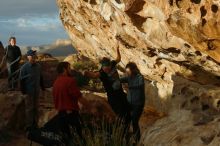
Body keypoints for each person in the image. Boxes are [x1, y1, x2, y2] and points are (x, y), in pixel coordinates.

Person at [83, 44, 131, 126]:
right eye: (105, 67)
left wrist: (117, 49)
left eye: (108, 66)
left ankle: (128, 123)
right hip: (113, 97)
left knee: (127, 109)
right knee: (118, 113)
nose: (107, 69)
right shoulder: (101, 73)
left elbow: (118, 59)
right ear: (102, 66)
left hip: (120, 93)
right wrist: (86, 73)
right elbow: (94, 75)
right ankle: (121, 128)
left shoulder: (112, 64)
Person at [53, 62, 89, 143]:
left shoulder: (56, 82)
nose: (70, 70)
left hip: (60, 116)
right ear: (64, 70)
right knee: (80, 139)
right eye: (69, 68)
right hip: (71, 116)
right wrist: (90, 106)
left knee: (66, 140)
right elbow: (79, 97)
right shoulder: (70, 81)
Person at [120, 62, 145, 143]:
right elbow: (121, 79)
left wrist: (129, 87)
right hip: (129, 103)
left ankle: (137, 140)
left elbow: (140, 86)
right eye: (126, 72)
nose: (127, 73)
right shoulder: (128, 77)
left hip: (138, 103)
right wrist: (113, 78)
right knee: (126, 120)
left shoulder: (140, 77)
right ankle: (126, 139)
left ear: (133, 70)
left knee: (134, 121)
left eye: (128, 71)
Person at [20, 50, 45, 128]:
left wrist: (43, 87)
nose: (34, 57)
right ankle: (29, 126)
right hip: (28, 92)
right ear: (28, 57)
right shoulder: (24, 68)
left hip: (36, 91)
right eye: (32, 56)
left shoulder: (38, 66)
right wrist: (24, 92)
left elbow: (40, 78)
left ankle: (36, 124)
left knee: (36, 108)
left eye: (34, 56)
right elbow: (21, 80)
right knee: (29, 109)